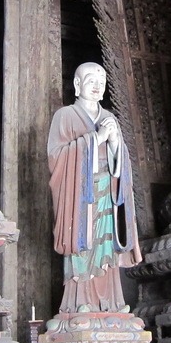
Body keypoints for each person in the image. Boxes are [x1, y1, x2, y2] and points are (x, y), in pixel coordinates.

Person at [47, 62, 141, 313]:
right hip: (80, 195)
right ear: (77, 85)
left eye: (101, 82)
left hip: (107, 191)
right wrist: (95, 139)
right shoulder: (65, 116)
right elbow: (55, 156)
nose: (97, 86)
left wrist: (114, 143)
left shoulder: (109, 118)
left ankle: (111, 302)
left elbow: (122, 162)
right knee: (84, 241)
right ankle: (80, 302)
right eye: (91, 81)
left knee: (106, 244)